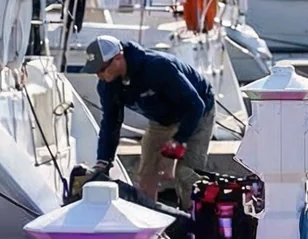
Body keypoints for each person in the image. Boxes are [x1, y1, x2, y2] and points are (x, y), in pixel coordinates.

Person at [84, 35, 216, 210]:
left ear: (118, 58)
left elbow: (195, 105)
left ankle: (192, 220)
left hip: (196, 112)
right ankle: (148, 215)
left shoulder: (157, 67)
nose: (98, 75)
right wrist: (104, 160)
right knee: (147, 172)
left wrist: (178, 141)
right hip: (161, 118)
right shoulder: (106, 86)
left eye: (101, 69)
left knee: (186, 174)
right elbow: (111, 123)